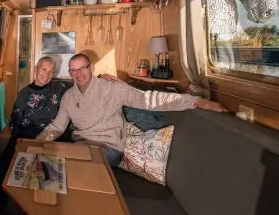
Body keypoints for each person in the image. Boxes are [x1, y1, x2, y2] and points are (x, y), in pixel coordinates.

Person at [36, 53, 228, 167]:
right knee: (53, 161)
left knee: (70, 161)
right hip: (80, 146)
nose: (77, 74)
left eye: (82, 68)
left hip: (108, 149)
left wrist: (195, 101)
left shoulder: (113, 87)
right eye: (73, 70)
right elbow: (58, 126)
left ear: (91, 68)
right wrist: (37, 143)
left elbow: (149, 99)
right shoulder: (69, 96)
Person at [0, 56, 119, 211]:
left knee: (50, 171)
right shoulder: (24, 94)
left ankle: (46, 208)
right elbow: (15, 124)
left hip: (55, 136)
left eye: (51, 71)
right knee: (4, 166)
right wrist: (23, 141)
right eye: (43, 69)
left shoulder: (60, 87)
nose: (46, 74)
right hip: (27, 138)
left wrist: (100, 77)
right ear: (36, 69)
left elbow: (83, 82)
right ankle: (3, 208)